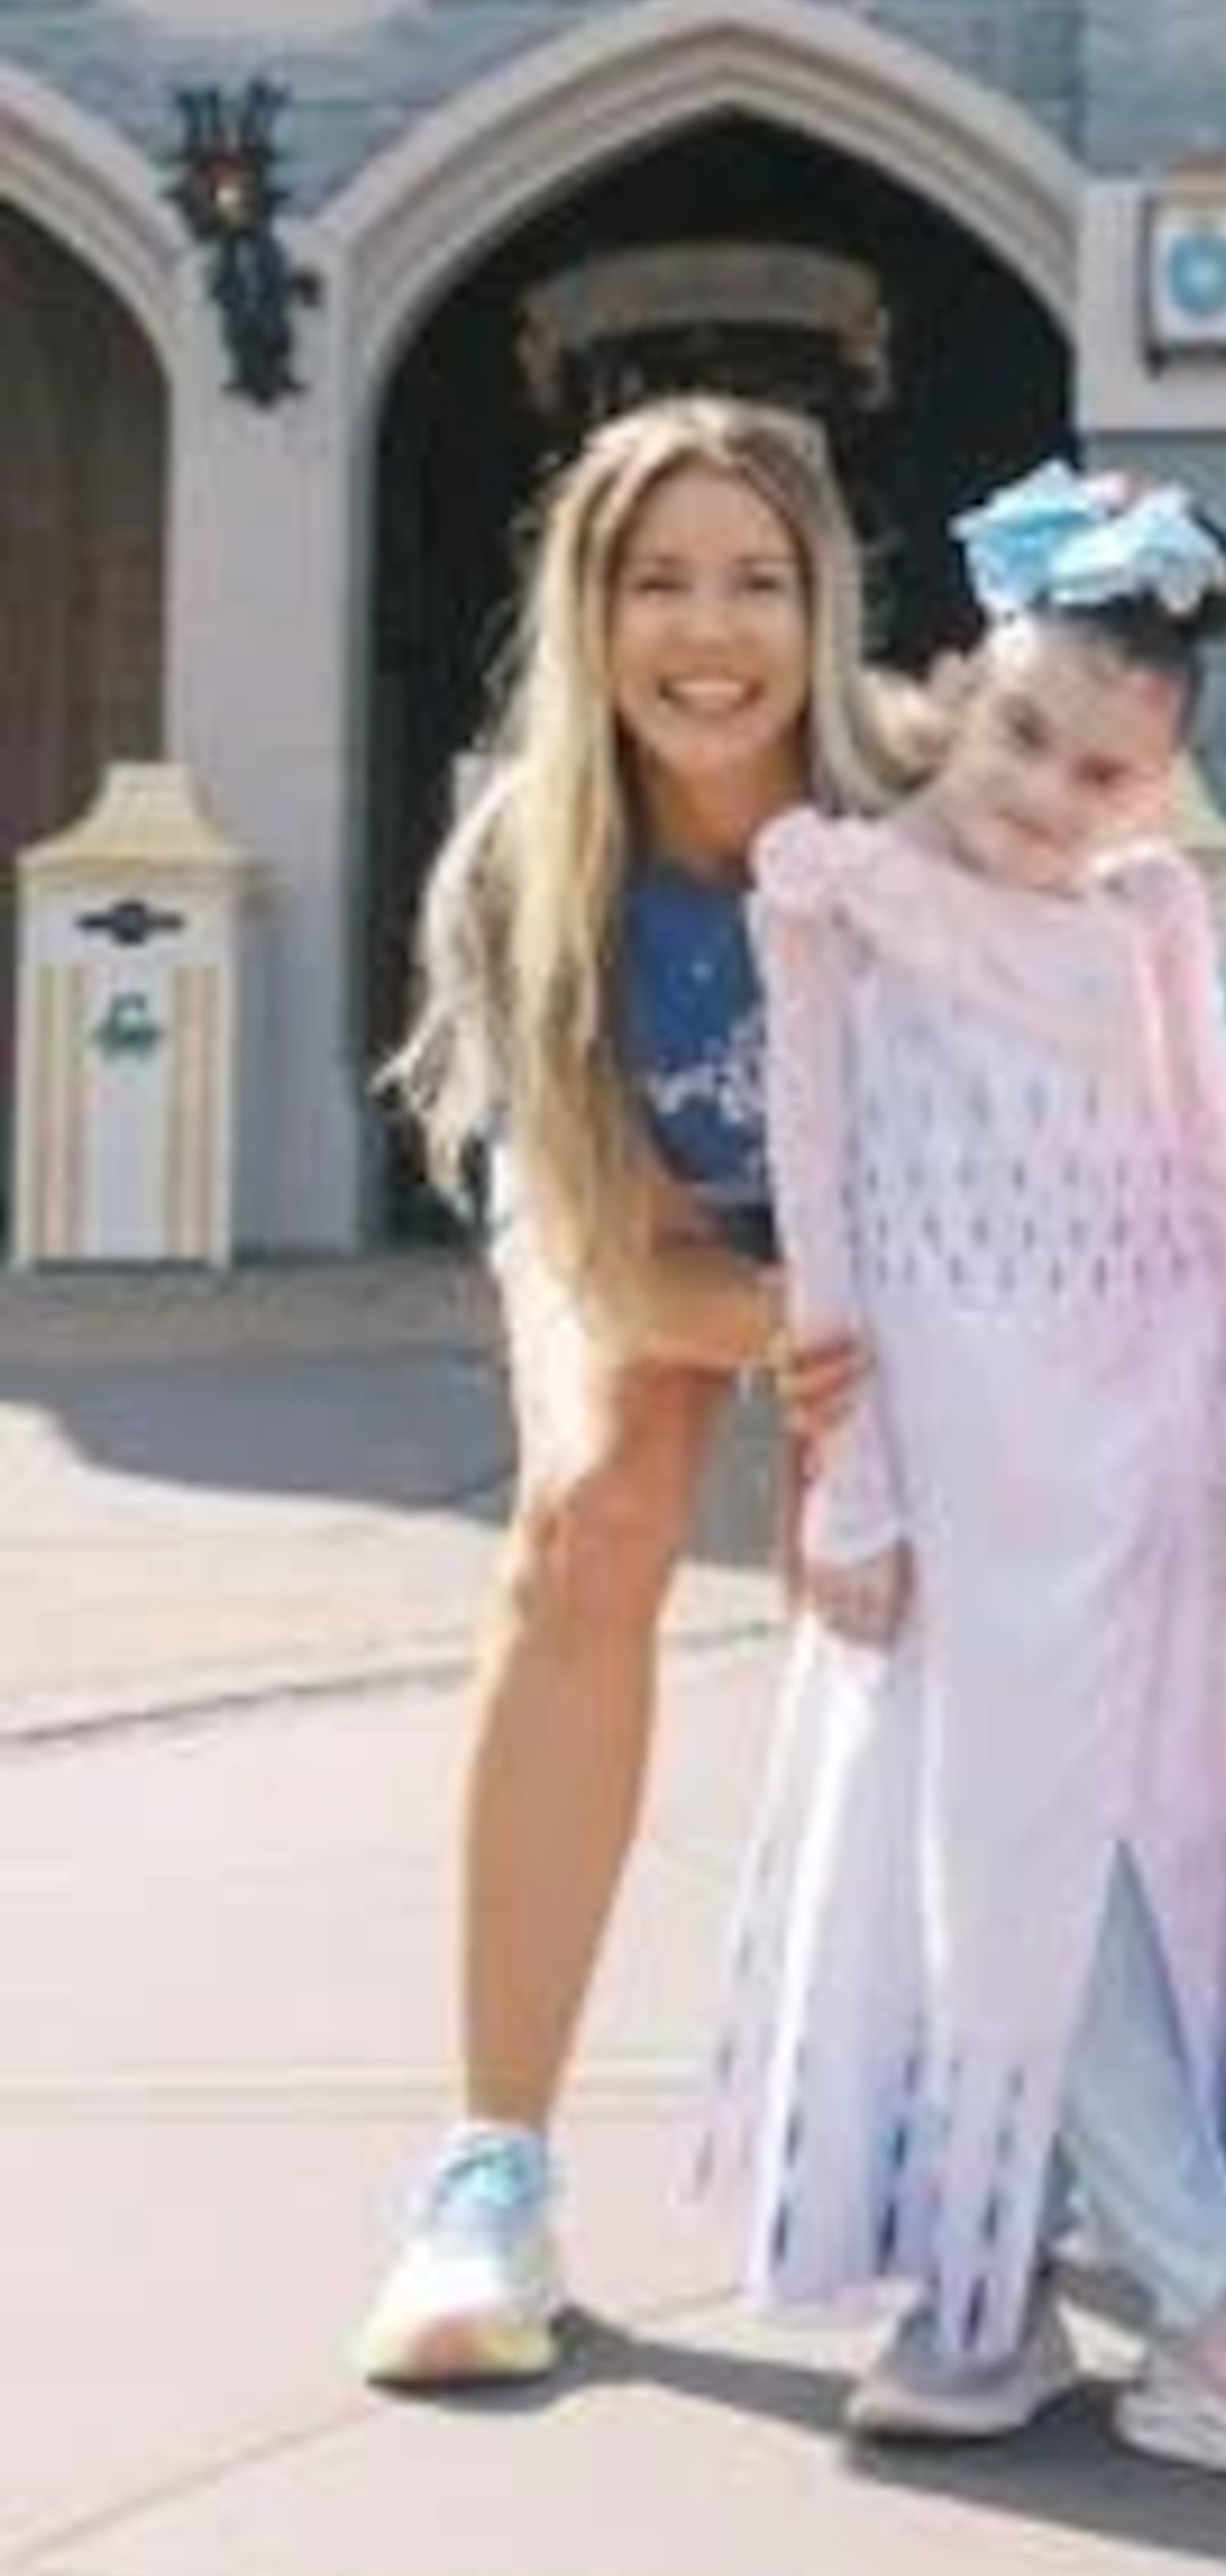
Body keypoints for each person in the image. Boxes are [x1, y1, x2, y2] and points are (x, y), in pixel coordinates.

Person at [701, 460, 1226, 2488]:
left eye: (1104, 771)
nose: (1046, 792)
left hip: (1141, 1453)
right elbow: (821, 1207)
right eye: (1024, 733)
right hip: (962, 1468)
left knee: (1125, 1846)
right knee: (1017, 1858)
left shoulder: (1151, 921)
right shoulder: (842, 900)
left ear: (1156, 788)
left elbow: (1214, 1197)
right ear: (959, 685)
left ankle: (991, 2275)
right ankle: (1198, 2299)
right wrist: (854, 1490)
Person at [359, 394, 901, 2390]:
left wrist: (866, 1357)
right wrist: (772, 1320)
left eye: (757, 581)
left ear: (823, 605)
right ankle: (489, 2172)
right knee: (590, 1517)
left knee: (886, 1575)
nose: (710, 631)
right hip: (649, 1209)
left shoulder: (916, 811)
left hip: (894, 1224)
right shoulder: (537, 861)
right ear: (588, 614)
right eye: (658, 581)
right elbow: (607, 1254)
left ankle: (961, 2101)